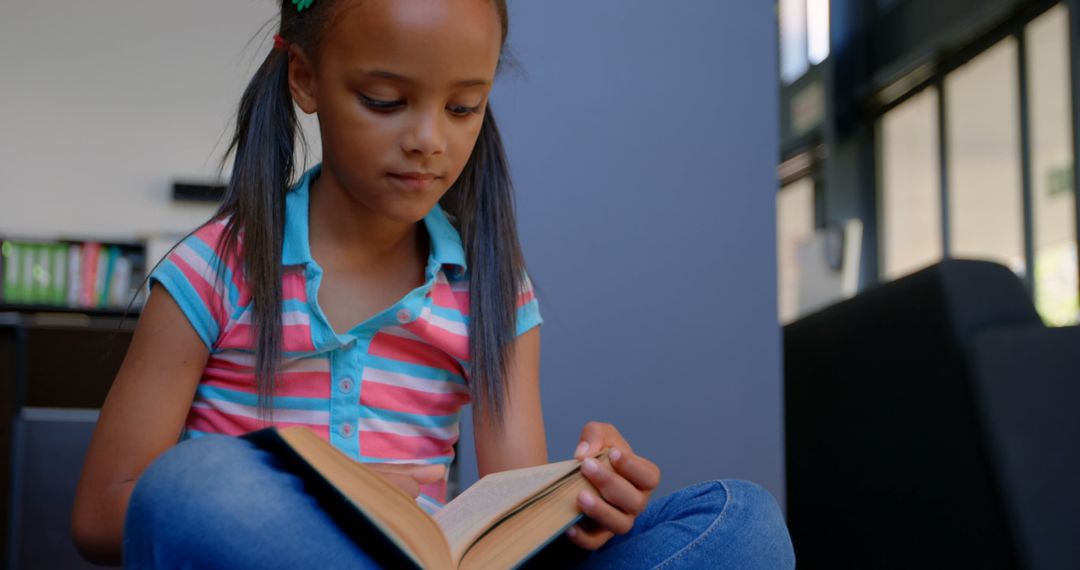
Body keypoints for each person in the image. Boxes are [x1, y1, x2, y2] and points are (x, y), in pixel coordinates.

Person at [71, 0, 795, 567]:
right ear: (304, 79)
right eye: (386, 101)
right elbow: (104, 516)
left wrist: (584, 502)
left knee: (743, 524)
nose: (429, 140)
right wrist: (327, 505)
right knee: (189, 489)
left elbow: (511, 530)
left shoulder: (492, 292)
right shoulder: (214, 269)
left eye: (463, 107)